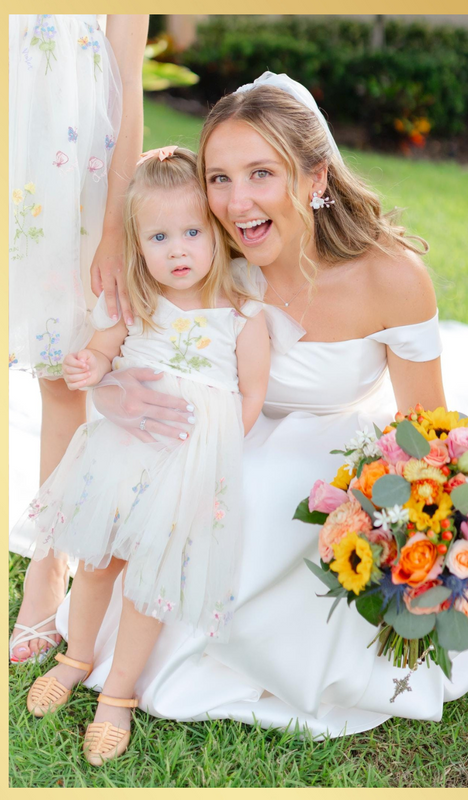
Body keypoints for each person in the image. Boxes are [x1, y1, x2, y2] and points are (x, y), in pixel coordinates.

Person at [17, 72, 468, 735]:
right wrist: (112, 392)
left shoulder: (391, 276)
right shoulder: (204, 253)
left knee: (261, 495)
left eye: (261, 173)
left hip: (327, 442)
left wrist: (409, 526)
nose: (236, 202)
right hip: (209, 428)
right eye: (219, 178)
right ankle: (100, 656)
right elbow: (144, 339)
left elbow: (424, 429)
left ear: (315, 178)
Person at [12, 146, 271, 764]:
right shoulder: (137, 296)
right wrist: (92, 364)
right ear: (137, 243)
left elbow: (252, 393)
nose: (178, 250)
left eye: (192, 233)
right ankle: (77, 657)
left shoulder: (240, 308)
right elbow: (104, 350)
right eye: (159, 237)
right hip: (124, 453)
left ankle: (119, 693)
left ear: (217, 232)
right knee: (98, 562)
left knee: (150, 583)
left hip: (188, 464)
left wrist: (215, 456)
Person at [9, 14, 152, 664]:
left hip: (67, 160)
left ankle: (50, 559)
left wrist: (116, 229)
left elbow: (128, 76)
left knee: (61, 370)